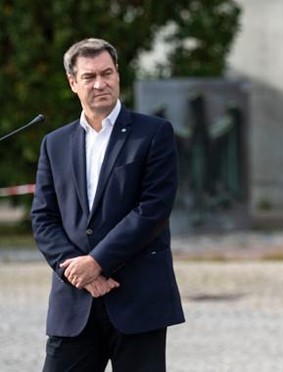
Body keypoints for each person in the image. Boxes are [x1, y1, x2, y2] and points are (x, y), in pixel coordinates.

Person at [30, 38, 185, 371]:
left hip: (138, 295)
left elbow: (152, 209)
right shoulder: (54, 144)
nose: (101, 83)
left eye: (108, 73)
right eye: (89, 77)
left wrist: (98, 261)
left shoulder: (154, 133)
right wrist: (79, 270)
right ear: (73, 83)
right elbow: (43, 218)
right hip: (74, 301)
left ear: (118, 75)